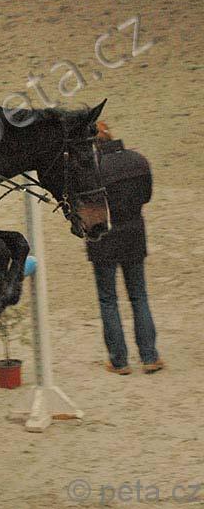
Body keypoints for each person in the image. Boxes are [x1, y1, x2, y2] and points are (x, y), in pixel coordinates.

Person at [87, 122, 163, 375]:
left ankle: (119, 360)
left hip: (103, 237)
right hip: (133, 233)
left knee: (108, 300)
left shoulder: (92, 169)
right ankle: (149, 356)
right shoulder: (138, 161)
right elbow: (146, 196)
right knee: (139, 296)